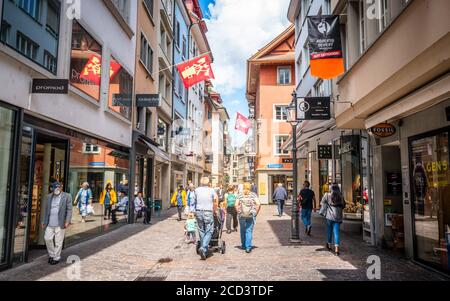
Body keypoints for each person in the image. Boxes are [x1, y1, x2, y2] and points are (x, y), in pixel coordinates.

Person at [42, 182, 72, 265]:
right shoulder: (48, 197)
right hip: (50, 223)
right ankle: (51, 254)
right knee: (47, 238)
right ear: (53, 188)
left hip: (60, 223)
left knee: (58, 242)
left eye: (59, 188)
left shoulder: (67, 196)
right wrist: (44, 221)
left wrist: (67, 221)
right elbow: (46, 210)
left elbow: (69, 210)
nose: (57, 190)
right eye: (56, 188)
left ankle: (56, 257)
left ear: (61, 188)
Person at [195, 177, 218, 260]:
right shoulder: (211, 190)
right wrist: (215, 210)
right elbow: (215, 201)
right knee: (209, 230)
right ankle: (204, 248)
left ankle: (203, 248)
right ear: (208, 183)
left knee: (201, 230)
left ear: (201, 183)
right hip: (208, 211)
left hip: (198, 211)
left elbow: (194, 201)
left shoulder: (197, 190)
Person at [235, 182, 261, 253]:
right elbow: (258, 204)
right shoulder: (253, 194)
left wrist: (239, 212)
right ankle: (248, 247)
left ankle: (243, 245)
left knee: (242, 229)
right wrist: (255, 213)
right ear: (250, 187)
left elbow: (236, 205)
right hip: (250, 214)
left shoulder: (240, 195)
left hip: (241, 215)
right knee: (249, 230)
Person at [321, 183, 345, 256]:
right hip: (337, 216)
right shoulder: (340, 196)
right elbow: (343, 205)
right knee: (336, 232)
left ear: (331, 188)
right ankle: (337, 248)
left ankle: (329, 244)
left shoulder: (327, 195)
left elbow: (322, 202)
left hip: (329, 216)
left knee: (329, 230)